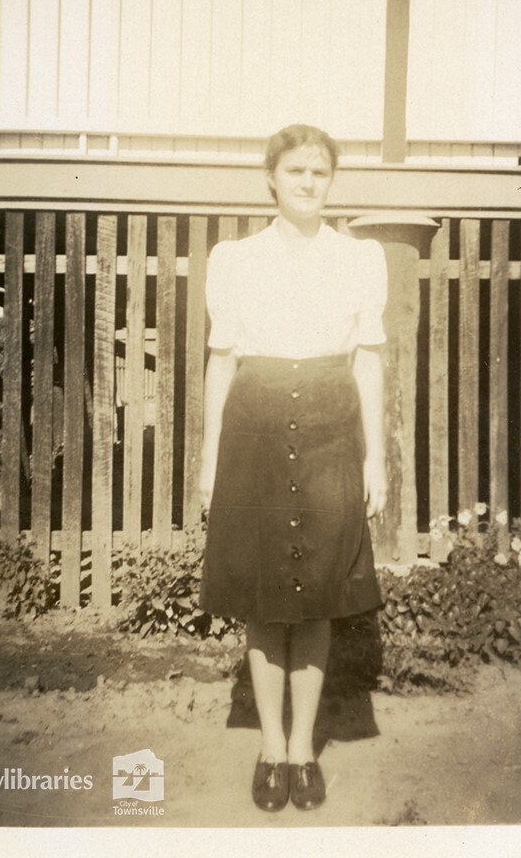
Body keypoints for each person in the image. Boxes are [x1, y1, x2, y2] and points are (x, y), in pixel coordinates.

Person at [198, 123, 388, 813]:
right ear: (271, 178)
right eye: (296, 171)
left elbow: (368, 357)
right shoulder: (234, 258)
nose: (308, 182)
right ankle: (269, 747)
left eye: (319, 172)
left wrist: (374, 460)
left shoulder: (359, 258)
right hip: (253, 425)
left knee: (316, 597)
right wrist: (206, 463)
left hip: (330, 429)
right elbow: (222, 361)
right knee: (260, 597)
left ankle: (304, 748)